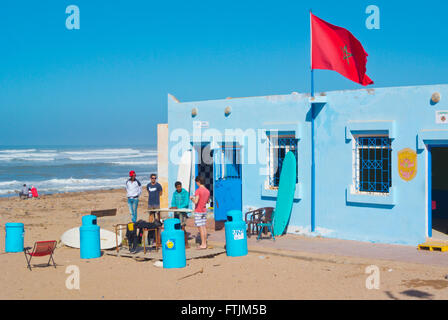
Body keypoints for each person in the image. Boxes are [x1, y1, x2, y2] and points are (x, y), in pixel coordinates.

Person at [190, 175, 210, 250]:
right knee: (204, 227)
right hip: (204, 211)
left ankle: (203, 244)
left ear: (198, 182)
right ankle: (204, 243)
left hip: (198, 211)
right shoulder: (207, 191)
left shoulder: (198, 190)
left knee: (200, 228)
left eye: (196, 182)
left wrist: (192, 198)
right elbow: (208, 201)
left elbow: (196, 201)